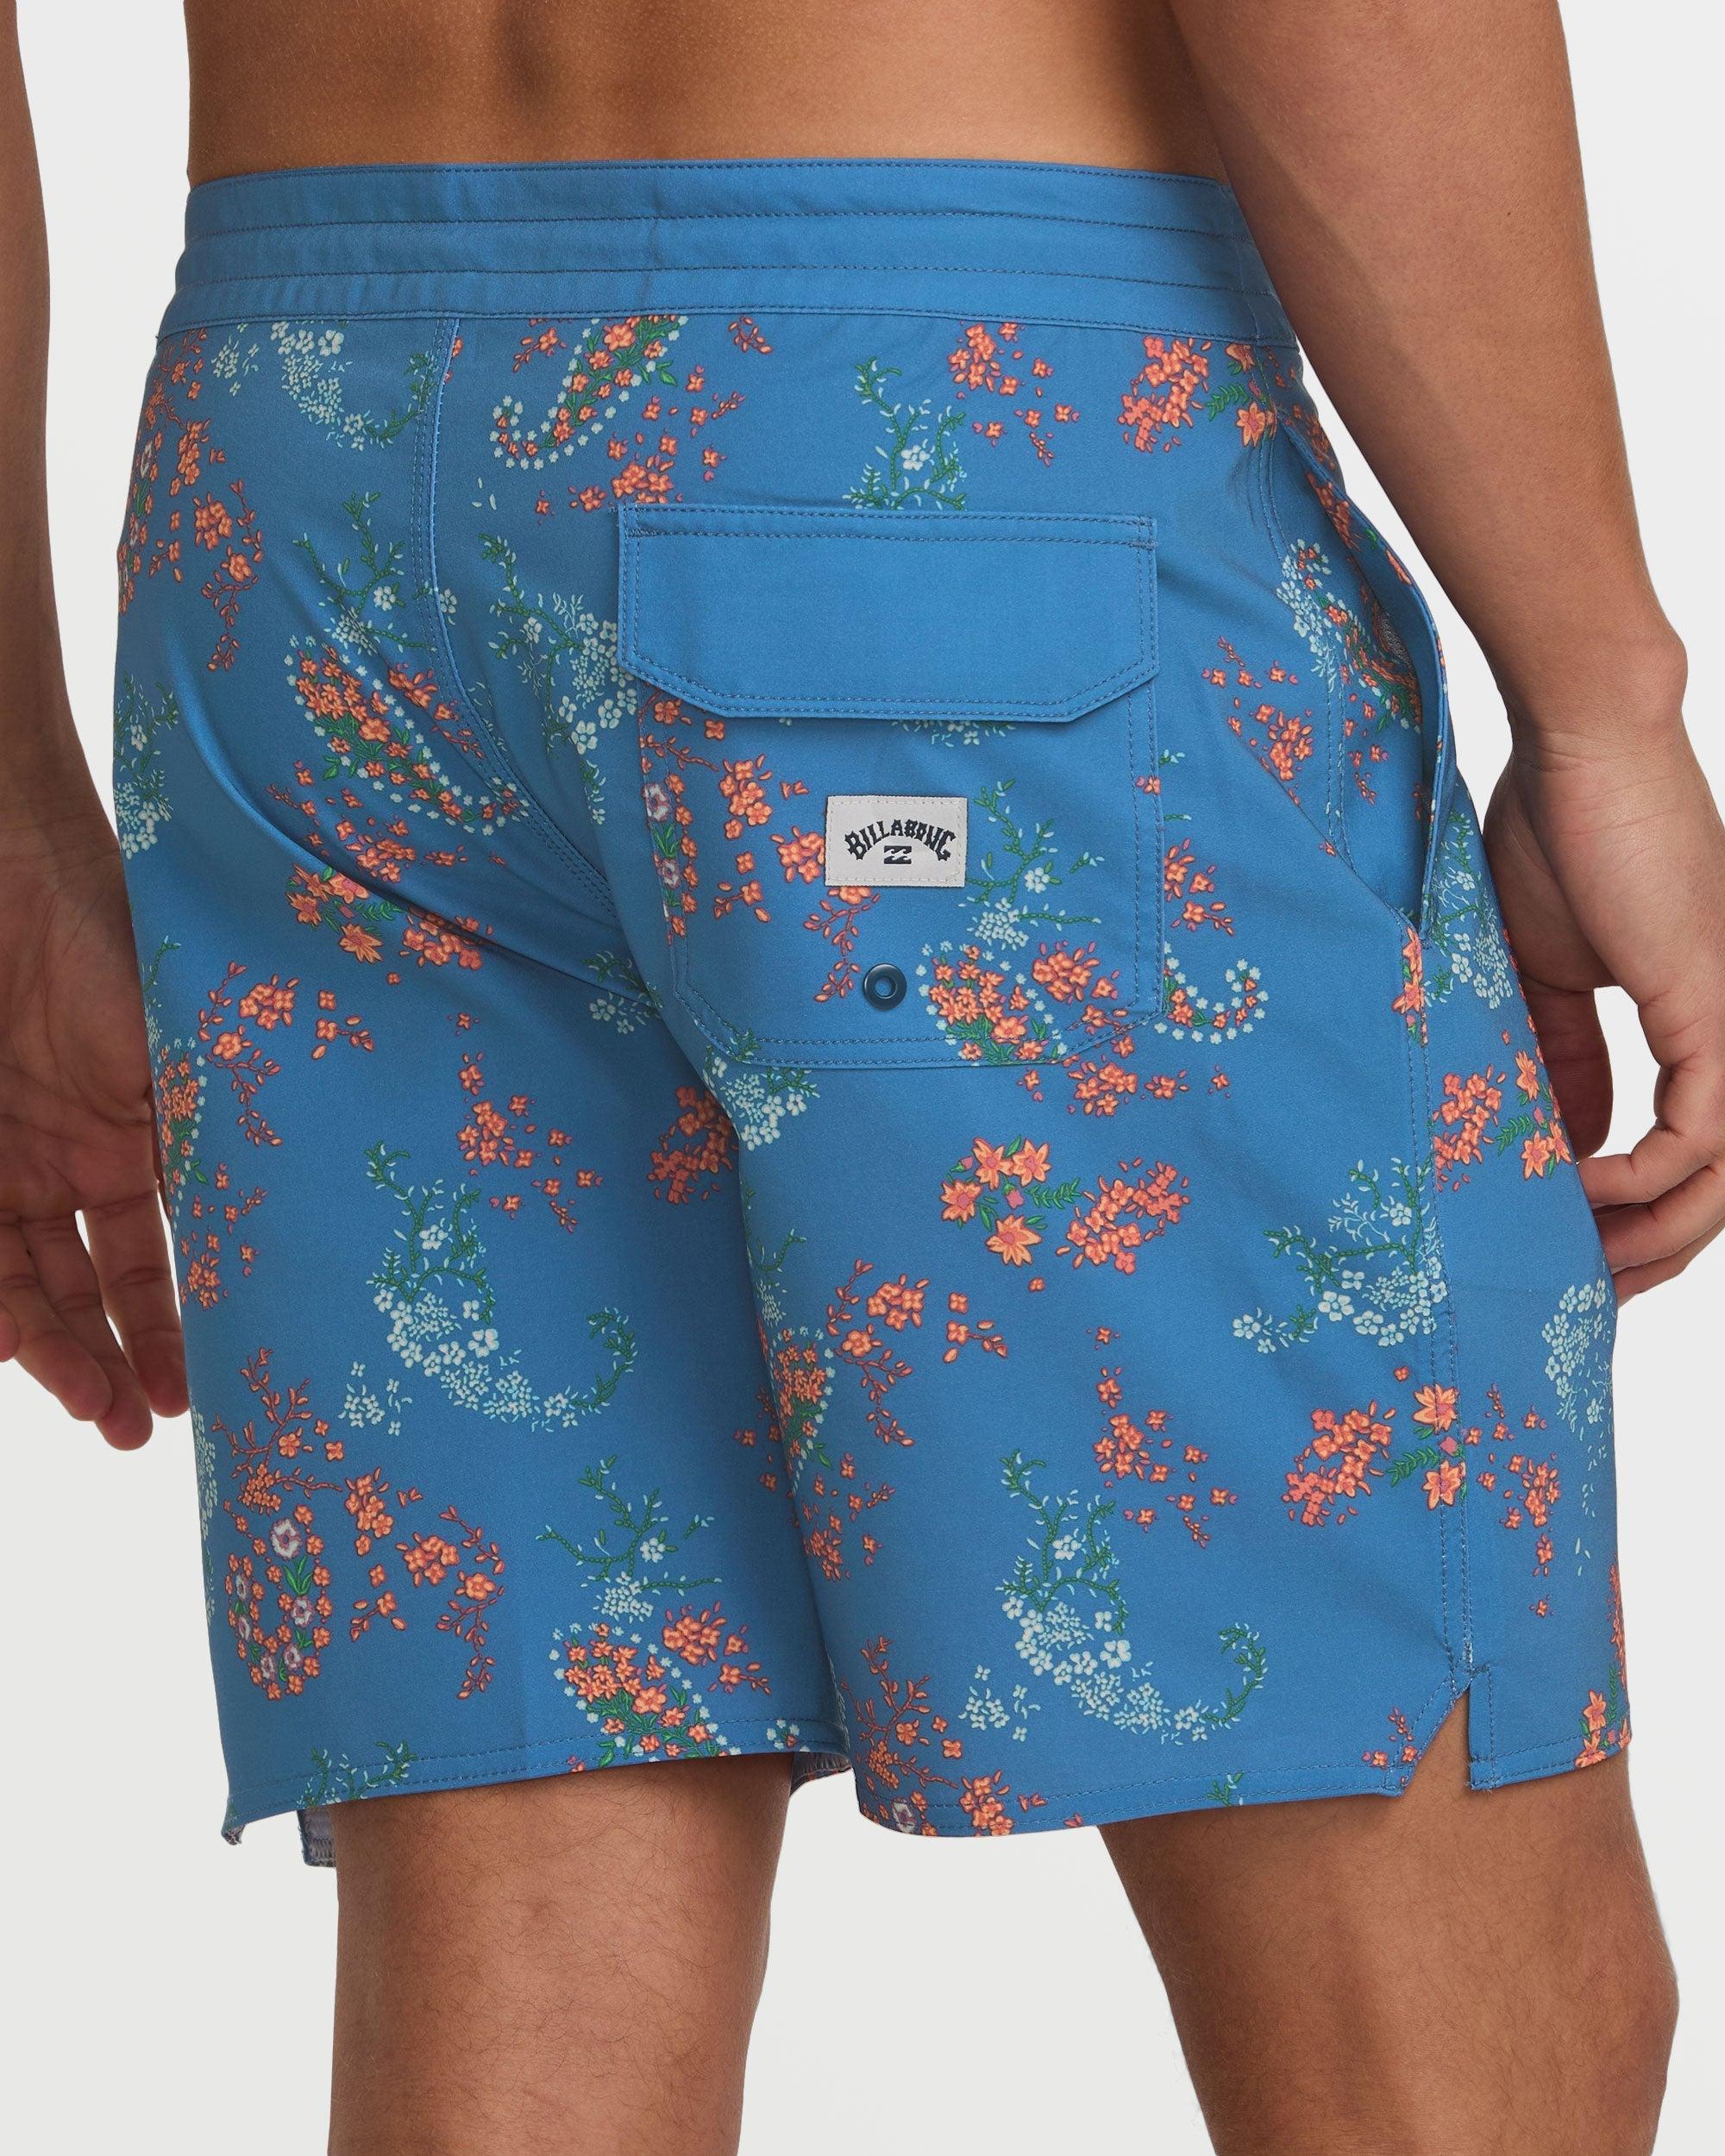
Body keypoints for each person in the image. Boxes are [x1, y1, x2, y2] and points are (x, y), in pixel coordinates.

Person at [3, 3, 1710, 2150]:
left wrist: (12, 808)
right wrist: (1606, 700)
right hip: (940, 475)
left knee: (524, 1932)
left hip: (301, 512)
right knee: (1447, 2001)